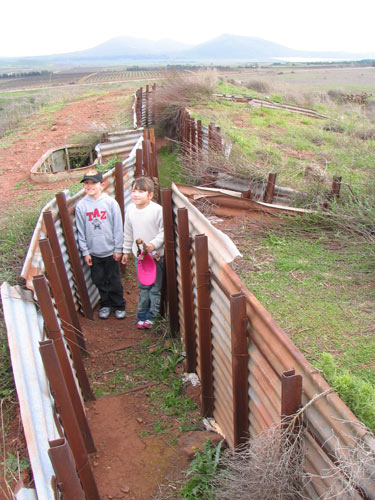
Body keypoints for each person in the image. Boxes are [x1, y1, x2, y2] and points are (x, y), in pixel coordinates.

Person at [75, 169, 126, 320]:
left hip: (110, 251)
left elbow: (118, 227)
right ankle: (105, 304)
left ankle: (119, 305)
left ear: (102, 185)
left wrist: (118, 249)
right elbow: (80, 231)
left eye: (93, 183)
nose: (90, 186)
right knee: (99, 280)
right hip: (94, 253)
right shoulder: (81, 206)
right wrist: (85, 252)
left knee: (114, 279)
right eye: (86, 183)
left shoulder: (110, 203)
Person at [121, 176, 164, 329]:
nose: (136, 194)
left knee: (155, 288)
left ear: (150, 195)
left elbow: (163, 232)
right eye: (134, 191)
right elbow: (128, 233)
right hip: (140, 257)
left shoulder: (157, 210)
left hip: (155, 256)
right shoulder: (130, 210)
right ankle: (141, 316)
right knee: (143, 287)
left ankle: (152, 317)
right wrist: (126, 251)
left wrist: (153, 244)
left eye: (140, 191)